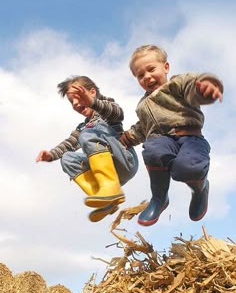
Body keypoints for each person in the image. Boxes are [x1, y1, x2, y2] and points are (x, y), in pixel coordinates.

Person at [120, 44, 223, 226]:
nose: (147, 77)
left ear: (165, 67)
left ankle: (200, 189)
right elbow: (143, 128)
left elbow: (191, 85)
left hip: (190, 139)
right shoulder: (143, 105)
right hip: (162, 140)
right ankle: (159, 198)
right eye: (140, 75)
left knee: (188, 168)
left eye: (151, 69)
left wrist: (204, 87)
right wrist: (128, 137)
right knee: (153, 150)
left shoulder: (177, 85)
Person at [36, 75, 138, 222]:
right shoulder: (83, 126)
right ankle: (106, 200)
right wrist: (51, 155)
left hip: (124, 160)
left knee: (88, 133)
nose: (76, 104)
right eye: (72, 102)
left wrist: (94, 103)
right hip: (111, 172)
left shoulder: (106, 108)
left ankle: (110, 187)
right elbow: (69, 144)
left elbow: (118, 114)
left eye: (78, 97)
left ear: (92, 92)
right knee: (67, 158)